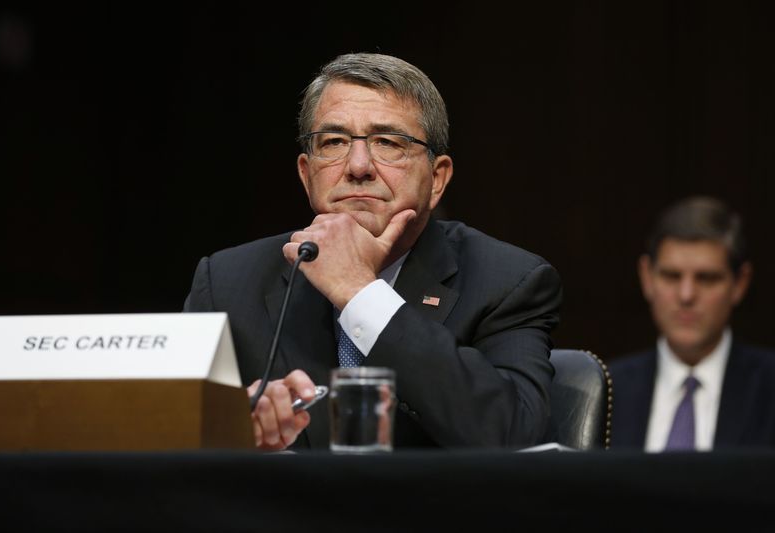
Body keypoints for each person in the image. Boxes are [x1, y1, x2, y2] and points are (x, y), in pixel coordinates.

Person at [183, 52, 562, 451]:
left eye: (388, 142)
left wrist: (361, 293)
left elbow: (517, 437)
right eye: (334, 142)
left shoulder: (507, 281)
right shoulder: (226, 281)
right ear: (306, 173)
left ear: (437, 179)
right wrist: (232, 429)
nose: (358, 165)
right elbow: (171, 442)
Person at [609, 196, 775, 451]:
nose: (686, 295)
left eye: (707, 278)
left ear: (740, 283)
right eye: (671, 276)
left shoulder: (768, 387)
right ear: (647, 277)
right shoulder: (604, 390)